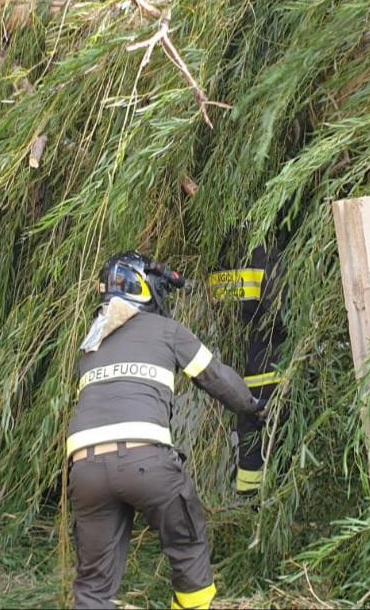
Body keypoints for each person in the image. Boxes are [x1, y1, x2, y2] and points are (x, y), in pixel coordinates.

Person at [66, 251, 266, 610]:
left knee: (93, 585)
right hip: (146, 461)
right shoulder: (166, 331)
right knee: (188, 547)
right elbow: (216, 378)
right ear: (145, 289)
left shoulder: (90, 345)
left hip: (85, 471)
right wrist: (253, 407)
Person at [208, 242, 287, 496]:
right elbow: (284, 314)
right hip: (273, 374)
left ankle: (250, 505)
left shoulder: (221, 258)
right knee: (281, 453)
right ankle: (274, 505)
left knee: (250, 450)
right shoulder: (265, 255)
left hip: (238, 382)